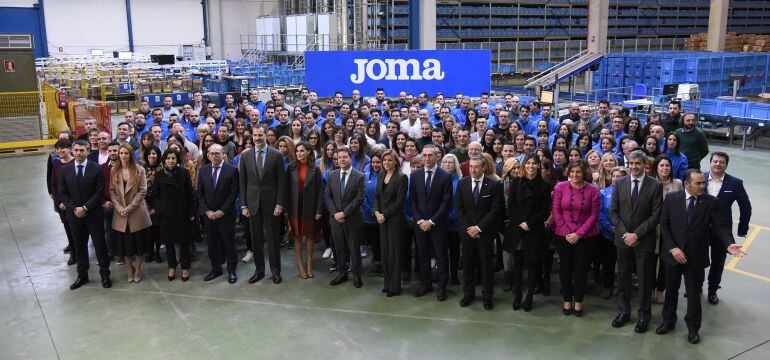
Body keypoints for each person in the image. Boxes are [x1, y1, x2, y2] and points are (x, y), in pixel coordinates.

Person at [656, 170, 745, 344]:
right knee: (671, 292)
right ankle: (668, 321)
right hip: (673, 255)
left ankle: (693, 328)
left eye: (703, 183)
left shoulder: (710, 202)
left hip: (696, 257)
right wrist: (673, 248)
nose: (702, 186)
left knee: (694, 294)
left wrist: (728, 243)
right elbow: (664, 225)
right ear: (686, 184)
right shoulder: (672, 198)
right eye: (698, 183)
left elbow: (720, 226)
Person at [609, 150, 663, 332]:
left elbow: (656, 215)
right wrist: (626, 234)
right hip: (623, 240)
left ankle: (643, 316)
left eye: (637, 164)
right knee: (623, 278)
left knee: (644, 280)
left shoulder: (655, 186)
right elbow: (613, 212)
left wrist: (636, 235)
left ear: (645, 165)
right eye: (631, 163)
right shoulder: (620, 183)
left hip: (643, 241)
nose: (633, 167)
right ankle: (624, 312)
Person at [58, 140, 112, 290]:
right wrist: (76, 208)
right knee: (80, 246)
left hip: (93, 214)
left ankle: (105, 274)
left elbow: (99, 191)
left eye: (82, 150)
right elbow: (62, 193)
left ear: (88, 151)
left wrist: (86, 207)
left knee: (100, 246)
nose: (78, 153)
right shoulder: (65, 170)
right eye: (76, 150)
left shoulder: (97, 168)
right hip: (75, 216)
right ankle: (82, 275)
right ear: (72, 151)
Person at [239, 125, 288, 284]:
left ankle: (275, 271)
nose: (258, 138)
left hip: (272, 204)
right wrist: (244, 205)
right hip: (252, 204)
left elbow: (282, 182)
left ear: (266, 136)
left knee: (273, 239)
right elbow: (243, 183)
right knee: (256, 239)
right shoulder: (245, 156)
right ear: (252, 136)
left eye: (260, 135)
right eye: (255, 135)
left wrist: (280, 204)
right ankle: (259, 271)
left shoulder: (277, 155)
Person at [551, 160, 600, 317]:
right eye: (572, 172)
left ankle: (578, 300)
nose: (575, 175)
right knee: (565, 269)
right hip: (563, 234)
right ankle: (567, 299)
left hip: (585, 236)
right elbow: (556, 211)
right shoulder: (560, 187)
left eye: (578, 172)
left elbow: (594, 215)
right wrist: (567, 232)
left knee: (581, 269)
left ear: (584, 172)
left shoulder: (593, 190)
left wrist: (578, 234)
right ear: (568, 172)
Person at [455, 156, 503, 310]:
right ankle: (468, 294)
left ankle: (487, 296)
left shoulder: (494, 185)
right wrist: (470, 228)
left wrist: (479, 228)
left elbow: (496, 210)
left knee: (486, 266)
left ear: (483, 168)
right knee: (467, 265)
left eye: (476, 167)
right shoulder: (462, 183)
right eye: (471, 167)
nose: (473, 170)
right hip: (467, 232)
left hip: (485, 233)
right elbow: (459, 208)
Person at [704, 151, 752, 305]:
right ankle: (696, 286)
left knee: (718, 261)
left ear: (726, 165)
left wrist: (742, 228)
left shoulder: (735, 183)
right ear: (710, 163)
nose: (718, 164)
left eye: (721, 162)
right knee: (696, 259)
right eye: (715, 161)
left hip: (721, 230)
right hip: (700, 228)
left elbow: (745, 206)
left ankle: (712, 290)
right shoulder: (699, 178)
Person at [505, 155, 551, 312]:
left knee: (533, 264)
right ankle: (517, 294)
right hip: (518, 229)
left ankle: (529, 295)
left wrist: (529, 223)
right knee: (517, 264)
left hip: (534, 230)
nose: (531, 166)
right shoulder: (516, 182)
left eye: (534, 164)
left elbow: (544, 211)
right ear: (524, 166)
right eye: (528, 163)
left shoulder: (545, 186)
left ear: (538, 167)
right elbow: (510, 206)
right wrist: (521, 222)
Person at [409, 144, 453, 301]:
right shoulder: (415, 176)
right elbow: (413, 200)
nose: (427, 158)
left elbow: (446, 203)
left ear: (437, 157)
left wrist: (432, 221)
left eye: (430, 155)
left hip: (438, 224)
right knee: (422, 255)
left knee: (441, 256)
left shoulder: (446, 176)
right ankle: (425, 283)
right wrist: (420, 220)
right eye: (424, 155)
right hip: (420, 224)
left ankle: (441, 287)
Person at [149, 148, 196, 282]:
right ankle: (172, 266)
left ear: (177, 160)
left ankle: (185, 267)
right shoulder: (159, 175)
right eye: (168, 158)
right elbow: (154, 196)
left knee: (184, 242)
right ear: (164, 160)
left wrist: (192, 212)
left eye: (173, 158)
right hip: (166, 214)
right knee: (169, 242)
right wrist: (160, 208)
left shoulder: (184, 173)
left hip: (182, 212)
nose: (170, 161)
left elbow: (190, 194)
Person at [197, 144, 240, 284]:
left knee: (229, 243)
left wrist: (222, 211)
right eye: (212, 153)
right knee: (212, 244)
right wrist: (207, 211)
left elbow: (234, 193)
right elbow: (200, 193)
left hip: (225, 214)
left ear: (223, 155)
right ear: (208, 155)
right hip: (209, 216)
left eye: (217, 153)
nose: (214, 156)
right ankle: (216, 269)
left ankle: (232, 270)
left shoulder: (232, 170)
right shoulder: (203, 170)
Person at [109, 144, 152, 283]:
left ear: (131, 155)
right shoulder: (114, 170)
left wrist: (130, 207)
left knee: (138, 245)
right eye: (121, 153)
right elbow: (112, 192)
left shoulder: (139, 170)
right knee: (125, 246)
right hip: (121, 214)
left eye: (126, 153)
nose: (123, 156)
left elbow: (143, 191)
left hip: (136, 212)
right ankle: (130, 270)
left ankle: (138, 269)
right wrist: (119, 207)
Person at [325, 148, 366, 288]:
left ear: (350, 158)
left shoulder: (359, 176)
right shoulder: (331, 175)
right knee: (340, 249)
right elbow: (327, 196)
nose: (341, 160)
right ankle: (342, 274)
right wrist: (335, 213)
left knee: (354, 250)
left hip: (352, 219)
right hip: (336, 220)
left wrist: (344, 213)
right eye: (339, 157)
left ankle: (357, 276)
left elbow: (359, 199)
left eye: (345, 157)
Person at [374, 149, 408, 297]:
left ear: (395, 161)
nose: (386, 163)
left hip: (394, 220)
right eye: (384, 160)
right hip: (382, 219)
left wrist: (384, 215)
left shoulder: (402, 177)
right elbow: (376, 197)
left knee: (394, 253)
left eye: (389, 160)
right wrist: (376, 213)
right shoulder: (381, 174)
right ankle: (387, 284)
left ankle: (395, 287)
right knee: (385, 252)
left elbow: (399, 202)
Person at [287, 142, 323, 279]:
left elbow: (320, 191)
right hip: (294, 206)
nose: (299, 153)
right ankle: (300, 265)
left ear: (308, 152)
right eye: (297, 151)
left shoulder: (315, 168)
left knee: (309, 235)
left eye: (302, 151)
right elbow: (287, 189)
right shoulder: (291, 168)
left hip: (310, 206)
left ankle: (309, 264)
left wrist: (319, 209)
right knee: (296, 235)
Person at [651, 155, 683, 304]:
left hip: (669, 232)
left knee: (665, 263)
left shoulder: (677, 184)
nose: (665, 168)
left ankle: (661, 289)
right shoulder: (650, 183)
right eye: (661, 165)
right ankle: (650, 288)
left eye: (667, 166)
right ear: (656, 168)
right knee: (650, 262)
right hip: (652, 230)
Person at [598, 167, 629, 299]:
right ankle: (607, 286)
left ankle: (623, 288)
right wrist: (611, 228)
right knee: (608, 263)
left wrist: (623, 229)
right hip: (608, 235)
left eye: (620, 176)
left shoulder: (630, 193)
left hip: (625, 235)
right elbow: (600, 214)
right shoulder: (604, 193)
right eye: (614, 176)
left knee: (624, 264)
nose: (616, 178)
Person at [50, 139, 76, 265]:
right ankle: (73, 253)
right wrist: (59, 202)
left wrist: (68, 203)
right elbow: (54, 185)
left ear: (70, 148)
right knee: (68, 230)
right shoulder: (56, 165)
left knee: (77, 230)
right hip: (61, 205)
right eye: (57, 149)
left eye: (62, 148)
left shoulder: (75, 163)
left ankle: (80, 253)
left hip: (73, 204)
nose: (60, 151)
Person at [142, 146, 163, 263]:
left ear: (158, 155)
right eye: (149, 154)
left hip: (159, 202)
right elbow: (139, 189)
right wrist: (148, 207)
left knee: (158, 230)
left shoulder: (162, 168)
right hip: (145, 202)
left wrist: (156, 207)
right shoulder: (141, 169)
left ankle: (158, 252)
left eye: (154, 153)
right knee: (148, 230)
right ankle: (150, 252)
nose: (151, 156)